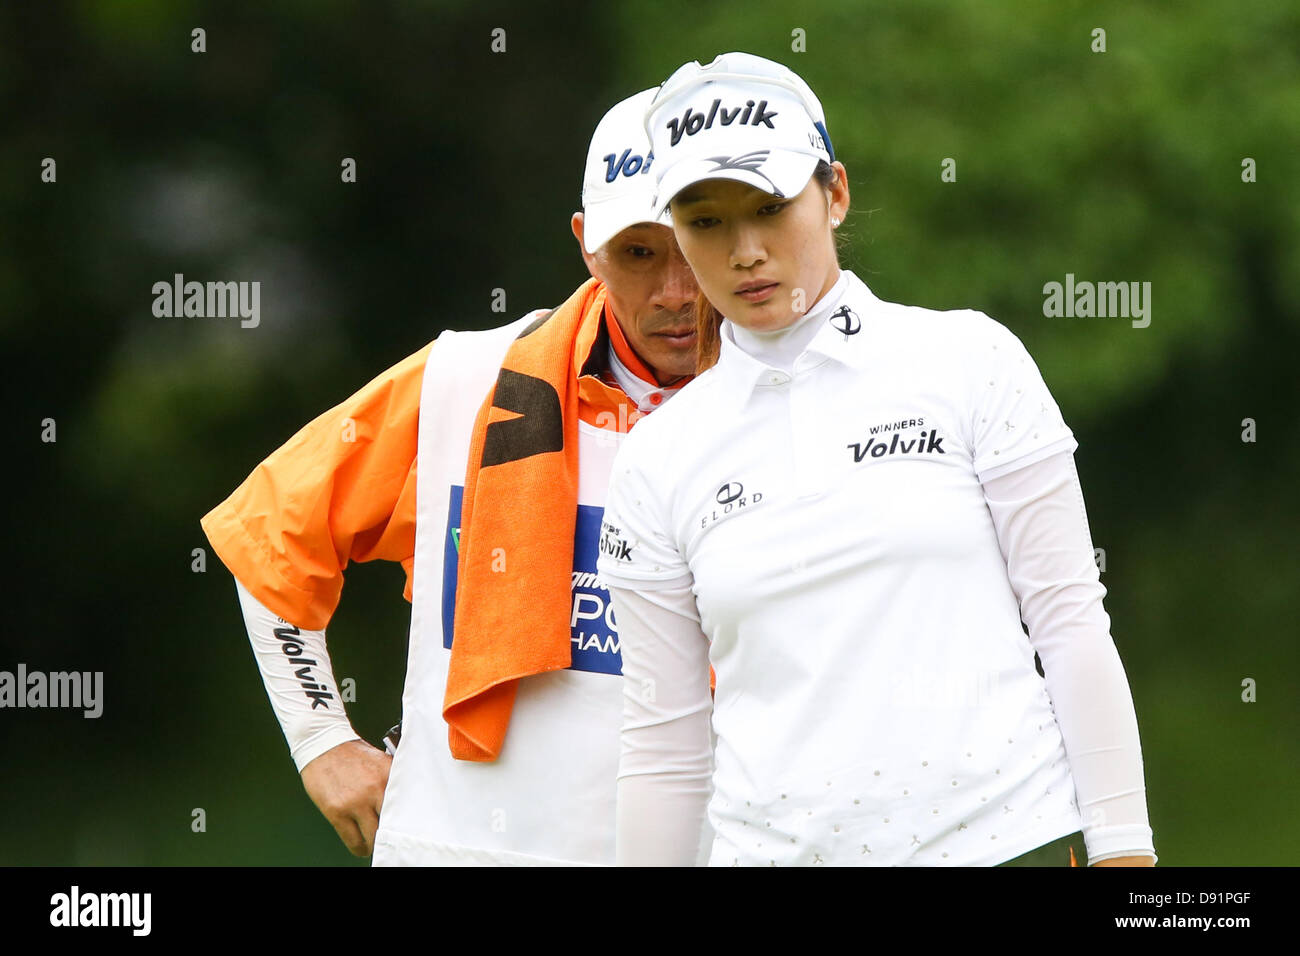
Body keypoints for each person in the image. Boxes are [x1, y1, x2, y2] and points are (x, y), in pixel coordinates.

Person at [596, 52, 1158, 867]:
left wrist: (1125, 853)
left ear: (835, 193)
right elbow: (663, 747)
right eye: (706, 220)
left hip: (1014, 843)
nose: (745, 249)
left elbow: (1070, 622)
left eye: (770, 205)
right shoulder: (658, 458)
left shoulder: (968, 358)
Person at [200, 88, 709, 865]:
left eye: (692, 242)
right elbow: (268, 540)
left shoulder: (798, 404)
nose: (674, 292)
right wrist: (320, 740)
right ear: (586, 246)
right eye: (639, 252)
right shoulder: (460, 380)